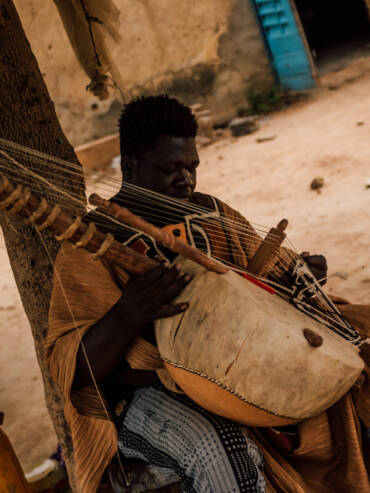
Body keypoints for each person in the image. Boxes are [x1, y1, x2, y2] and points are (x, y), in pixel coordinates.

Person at [47, 95, 369, 493]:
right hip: (145, 395)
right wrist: (128, 313)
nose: (186, 181)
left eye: (192, 167)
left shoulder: (210, 212)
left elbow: (263, 287)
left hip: (247, 369)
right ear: (130, 167)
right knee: (223, 452)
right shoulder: (92, 243)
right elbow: (72, 370)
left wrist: (297, 276)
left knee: (360, 349)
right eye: (170, 169)